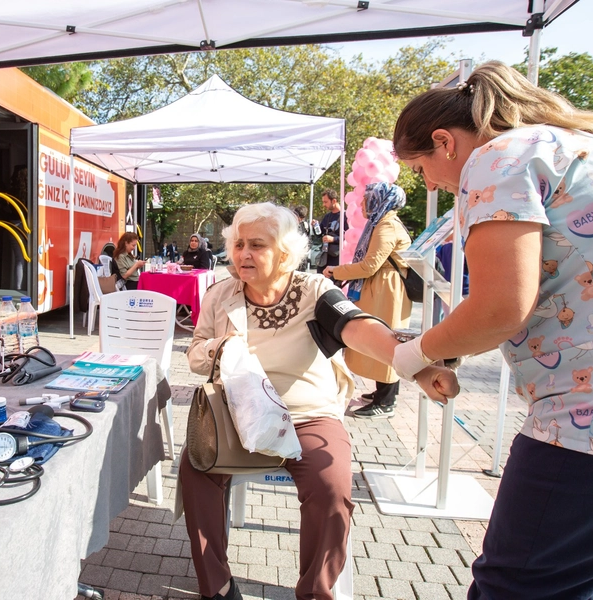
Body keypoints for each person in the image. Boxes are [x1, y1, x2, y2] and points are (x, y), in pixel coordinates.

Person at [391, 60, 593, 599]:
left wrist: (414, 353)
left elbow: (499, 307)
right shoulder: (589, 147)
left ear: (445, 142)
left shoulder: (498, 158)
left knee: (515, 584)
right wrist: (452, 348)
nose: (430, 184)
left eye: (421, 168)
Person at [181, 202, 458, 600]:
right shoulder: (219, 294)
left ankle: (315, 591)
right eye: (239, 244)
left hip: (307, 416)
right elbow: (194, 354)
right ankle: (218, 586)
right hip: (238, 417)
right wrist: (220, 347)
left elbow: (356, 327)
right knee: (195, 469)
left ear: (284, 252)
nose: (244, 254)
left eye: (257, 245)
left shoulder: (313, 290)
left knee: (331, 489)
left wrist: (417, 365)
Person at [323, 182, 412, 418]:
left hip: (386, 291)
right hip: (382, 289)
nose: (362, 203)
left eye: (366, 199)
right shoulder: (383, 222)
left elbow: (369, 265)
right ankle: (382, 392)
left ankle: (386, 401)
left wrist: (337, 271)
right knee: (381, 338)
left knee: (385, 339)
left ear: (378, 200)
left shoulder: (386, 225)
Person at [316, 189, 348, 274]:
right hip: (325, 257)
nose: (324, 205)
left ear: (334, 201)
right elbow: (319, 235)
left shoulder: (345, 216)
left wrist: (333, 239)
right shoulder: (327, 216)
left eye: (326, 202)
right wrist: (315, 227)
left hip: (337, 258)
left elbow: (349, 238)